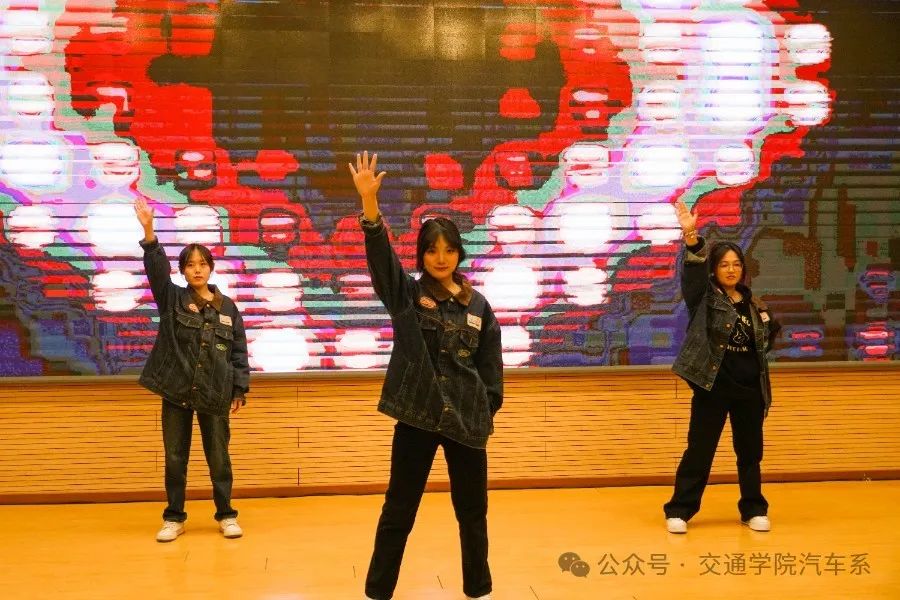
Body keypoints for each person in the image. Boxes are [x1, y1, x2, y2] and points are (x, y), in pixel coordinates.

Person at [350, 152, 503, 600]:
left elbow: (491, 368)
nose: (441, 257)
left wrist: (484, 408)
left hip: (466, 422)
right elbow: (382, 263)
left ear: (459, 253)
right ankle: (378, 592)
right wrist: (370, 206)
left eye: (449, 249)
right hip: (417, 417)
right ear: (422, 254)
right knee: (399, 511)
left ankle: (479, 589)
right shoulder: (408, 296)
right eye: (432, 249)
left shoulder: (479, 306)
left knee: (472, 513)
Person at [134, 197, 250, 542]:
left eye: (202, 264)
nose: (197, 269)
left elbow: (239, 352)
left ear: (211, 268)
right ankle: (174, 518)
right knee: (174, 457)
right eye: (190, 265)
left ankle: (226, 515)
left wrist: (239, 389)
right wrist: (149, 230)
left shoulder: (228, 308)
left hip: (216, 392)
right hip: (177, 390)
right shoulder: (172, 299)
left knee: (219, 457)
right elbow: (156, 270)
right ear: (182, 271)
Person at [664, 199, 782, 534]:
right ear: (714, 269)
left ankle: (753, 509)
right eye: (724, 265)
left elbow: (765, 341)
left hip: (750, 391)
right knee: (700, 451)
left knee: (750, 454)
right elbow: (693, 273)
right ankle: (680, 510)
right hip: (712, 388)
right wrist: (691, 237)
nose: (731, 270)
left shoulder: (754, 303)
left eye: (736, 264)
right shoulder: (705, 298)